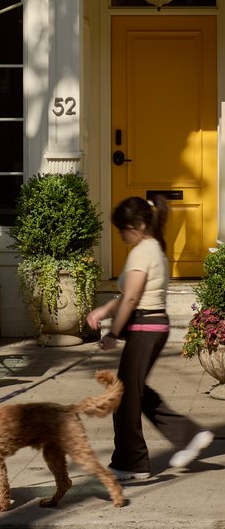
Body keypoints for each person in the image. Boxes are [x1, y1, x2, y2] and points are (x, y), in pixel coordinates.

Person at [87, 195, 212, 481]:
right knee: (134, 392)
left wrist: (113, 333)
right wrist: (105, 309)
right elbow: (129, 294)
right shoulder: (150, 247)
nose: (120, 235)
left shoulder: (143, 251)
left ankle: (133, 463)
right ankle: (188, 435)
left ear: (140, 225)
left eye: (123, 229)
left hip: (146, 327)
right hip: (150, 327)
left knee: (124, 397)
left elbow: (132, 298)